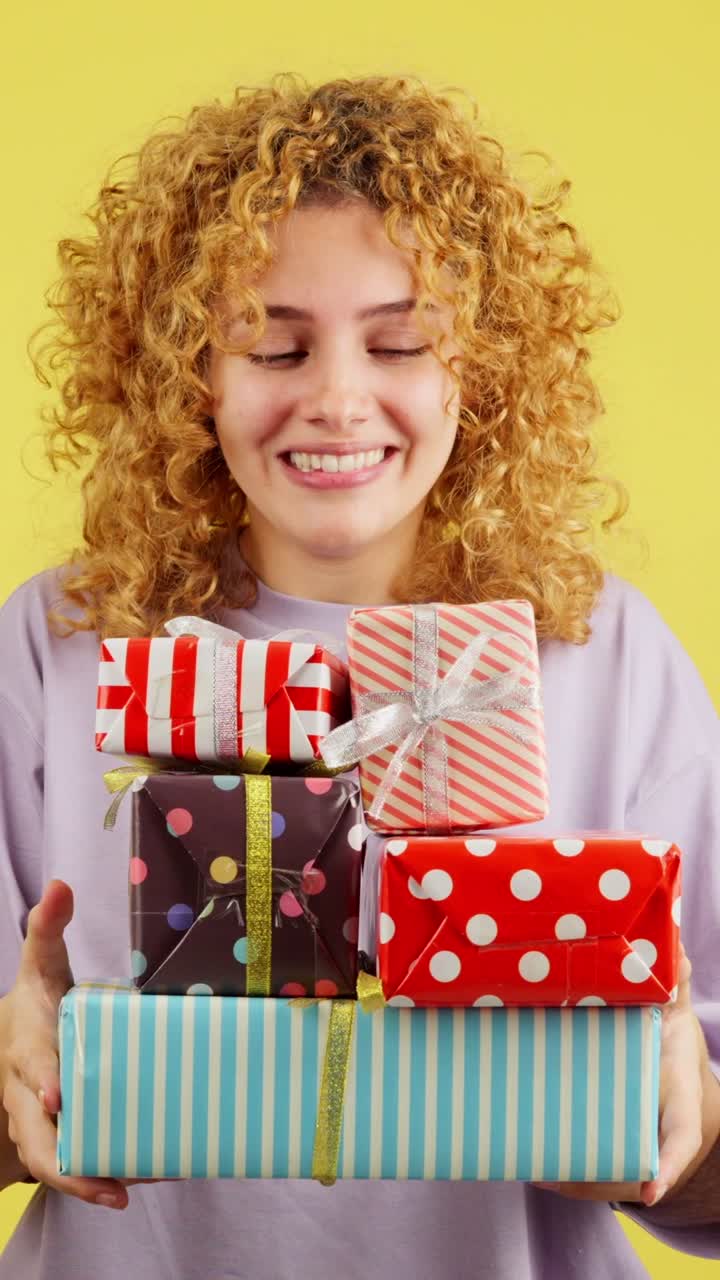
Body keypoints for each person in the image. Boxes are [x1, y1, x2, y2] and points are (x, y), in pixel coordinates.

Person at [0, 71, 718, 1280]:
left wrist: (677, 1130)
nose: (337, 398)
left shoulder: (604, 651)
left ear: (475, 374)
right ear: (193, 377)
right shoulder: (62, 647)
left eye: (401, 341)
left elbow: (705, 1161)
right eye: (274, 345)